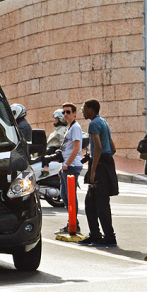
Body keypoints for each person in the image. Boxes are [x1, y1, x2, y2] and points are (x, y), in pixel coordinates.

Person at [80, 99, 118, 248]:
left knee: (100, 204)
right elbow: (112, 147)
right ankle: (95, 235)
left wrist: (94, 170)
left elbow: (98, 147)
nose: (82, 111)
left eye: (84, 108)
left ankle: (109, 236)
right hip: (106, 163)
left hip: (100, 165)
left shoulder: (94, 124)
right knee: (91, 203)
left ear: (91, 110)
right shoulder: (103, 122)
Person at [57, 104, 84, 235]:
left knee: (70, 196)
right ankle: (72, 222)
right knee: (64, 195)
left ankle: (74, 224)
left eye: (68, 112)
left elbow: (76, 148)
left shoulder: (76, 128)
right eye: (63, 112)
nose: (65, 114)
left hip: (72, 166)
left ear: (74, 113)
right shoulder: (70, 127)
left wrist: (66, 164)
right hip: (67, 165)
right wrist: (63, 166)